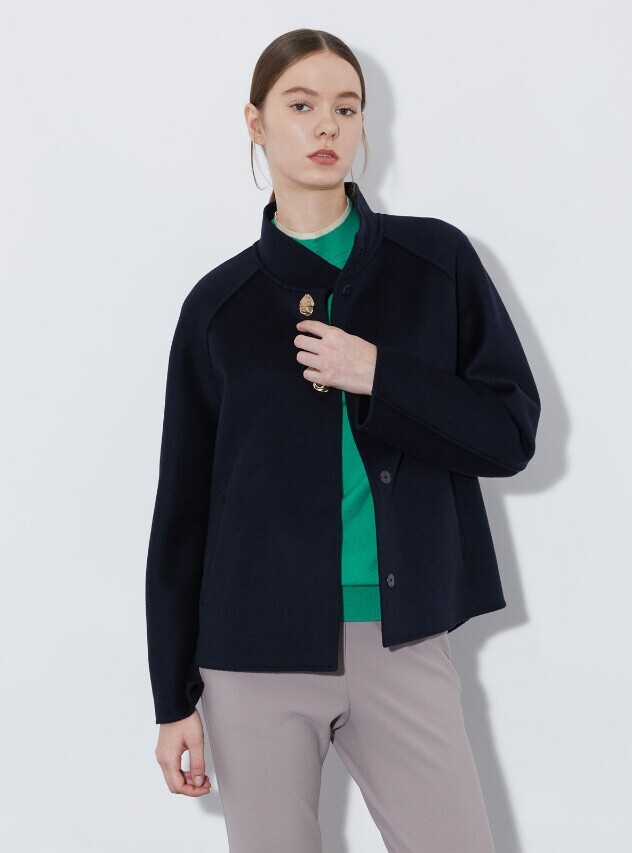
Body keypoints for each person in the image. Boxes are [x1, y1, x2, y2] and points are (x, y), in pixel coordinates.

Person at [145, 27, 541, 853]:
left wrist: (380, 373)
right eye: (301, 106)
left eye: (347, 108)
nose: (327, 125)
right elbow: (182, 514)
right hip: (252, 656)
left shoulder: (437, 263)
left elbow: (509, 433)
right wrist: (171, 700)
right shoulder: (218, 307)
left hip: (401, 637)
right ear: (255, 123)